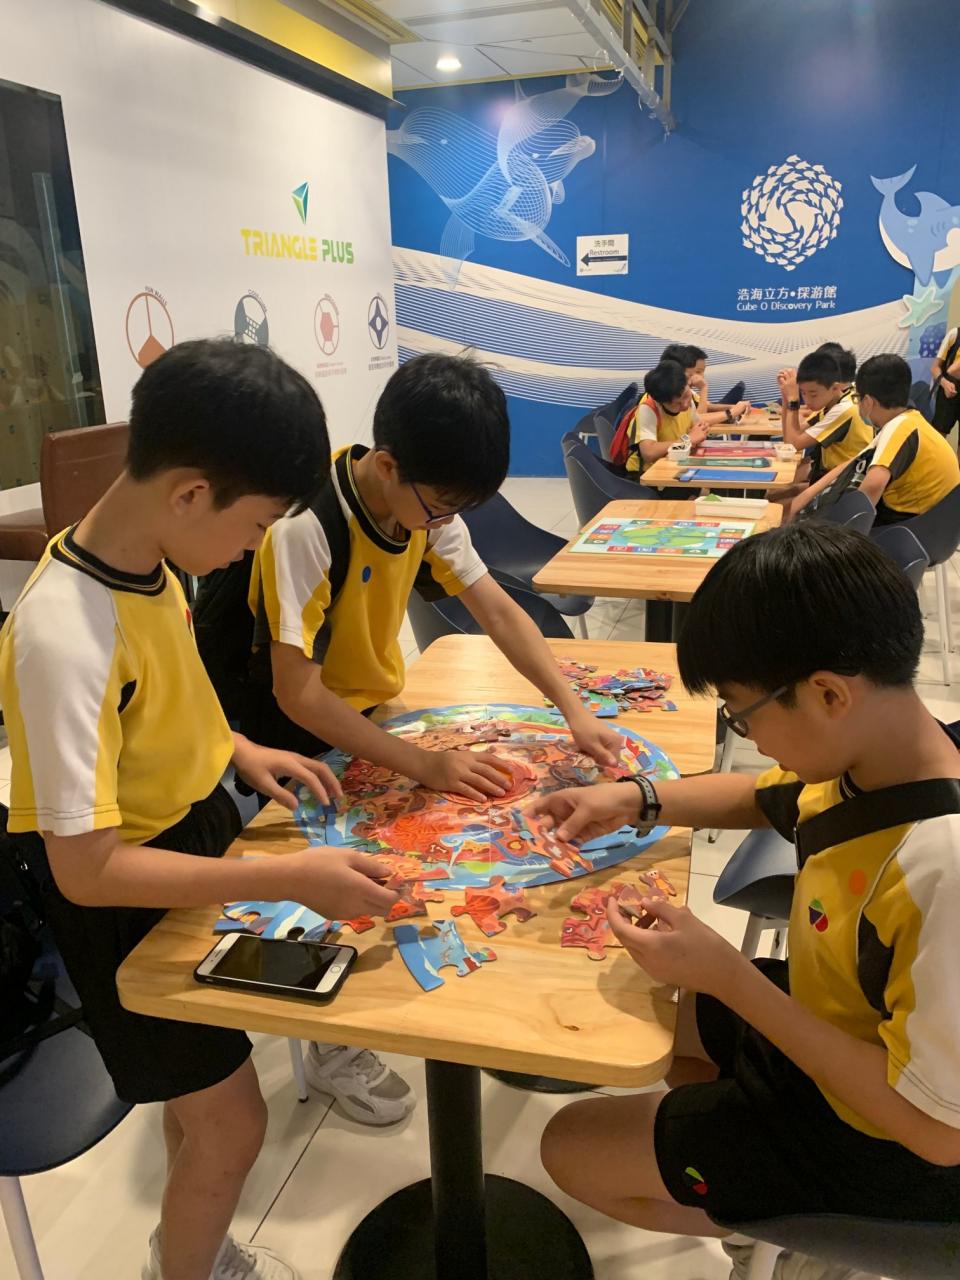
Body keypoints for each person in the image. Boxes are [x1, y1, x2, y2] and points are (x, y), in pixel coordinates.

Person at [0, 339, 400, 1280]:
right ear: (190, 494)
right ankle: (186, 1268)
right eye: (256, 525)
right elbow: (84, 869)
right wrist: (290, 876)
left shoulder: (153, 559)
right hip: (122, 905)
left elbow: (170, 690)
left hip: (189, 842)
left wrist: (238, 748)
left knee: (204, 1100)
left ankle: (186, 1248)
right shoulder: (62, 633)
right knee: (232, 1122)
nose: (255, 546)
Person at [531, 522, 960, 1274]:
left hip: (884, 1142)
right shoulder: (880, 750)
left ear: (828, 693)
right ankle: (739, 1177)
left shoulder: (941, 870)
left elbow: (938, 1133)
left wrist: (729, 975)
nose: (749, 738)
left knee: (568, 1148)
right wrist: (635, 799)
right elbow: (765, 797)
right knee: (660, 1010)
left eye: (741, 712)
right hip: (830, 1024)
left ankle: (786, 1232)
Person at [236, 352, 622, 1118]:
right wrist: (423, 763)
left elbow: (497, 608)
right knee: (333, 881)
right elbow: (296, 691)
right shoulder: (307, 528)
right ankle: (333, 1040)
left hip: (369, 710)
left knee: (420, 859)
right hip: (290, 733)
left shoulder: (423, 506)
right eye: (440, 507)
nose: (445, 522)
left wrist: (572, 707)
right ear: (387, 466)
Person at [794, 353, 960, 524]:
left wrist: (845, 533)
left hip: (913, 527)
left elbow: (872, 486)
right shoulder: (907, 420)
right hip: (935, 523)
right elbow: (853, 462)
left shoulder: (899, 428)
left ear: (867, 401)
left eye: (857, 398)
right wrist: (805, 496)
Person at [777, 348, 871, 482]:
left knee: (780, 491)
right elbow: (792, 436)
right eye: (803, 393)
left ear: (835, 387)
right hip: (833, 475)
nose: (807, 401)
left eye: (813, 394)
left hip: (846, 481)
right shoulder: (832, 402)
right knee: (779, 489)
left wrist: (793, 400)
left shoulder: (844, 409)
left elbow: (792, 445)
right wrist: (786, 396)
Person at [622, 359, 708, 476]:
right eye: (677, 404)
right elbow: (649, 453)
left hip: (674, 466)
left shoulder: (689, 401)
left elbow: (697, 429)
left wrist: (702, 430)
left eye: (686, 396)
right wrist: (688, 440)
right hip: (645, 474)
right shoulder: (648, 409)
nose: (685, 404)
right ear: (661, 402)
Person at [662, 343, 751, 424]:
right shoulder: (666, 394)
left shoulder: (687, 392)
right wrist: (704, 388)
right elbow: (697, 421)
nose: (702, 377)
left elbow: (704, 408)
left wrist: (735, 408)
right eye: (698, 372)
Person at [930, 324, 960, 438]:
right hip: (948, 392)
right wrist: (945, 383)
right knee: (938, 437)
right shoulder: (954, 334)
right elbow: (935, 368)